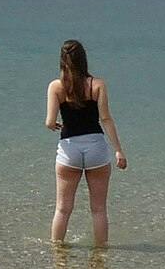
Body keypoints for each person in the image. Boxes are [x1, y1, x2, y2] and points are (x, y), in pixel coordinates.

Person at [45, 38, 126, 245]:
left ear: (62, 60)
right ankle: (101, 255)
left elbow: (49, 122)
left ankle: (57, 253)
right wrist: (118, 150)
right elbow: (106, 119)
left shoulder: (56, 87)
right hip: (96, 149)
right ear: (84, 60)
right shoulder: (97, 85)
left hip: (69, 149)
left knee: (62, 209)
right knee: (98, 209)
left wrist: (56, 125)